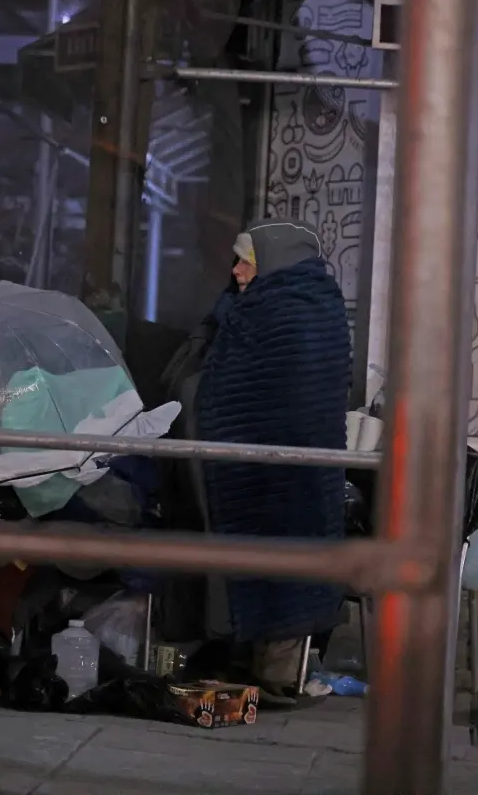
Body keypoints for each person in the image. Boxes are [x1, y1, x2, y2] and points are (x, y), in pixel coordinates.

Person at [196, 218, 352, 702]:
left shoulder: (294, 309)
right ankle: (261, 668)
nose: (237, 271)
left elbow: (285, 384)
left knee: (285, 563)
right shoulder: (272, 304)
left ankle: (279, 674)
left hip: (287, 467)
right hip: (260, 466)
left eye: (247, 261)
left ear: (273, 263)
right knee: (267, 563)